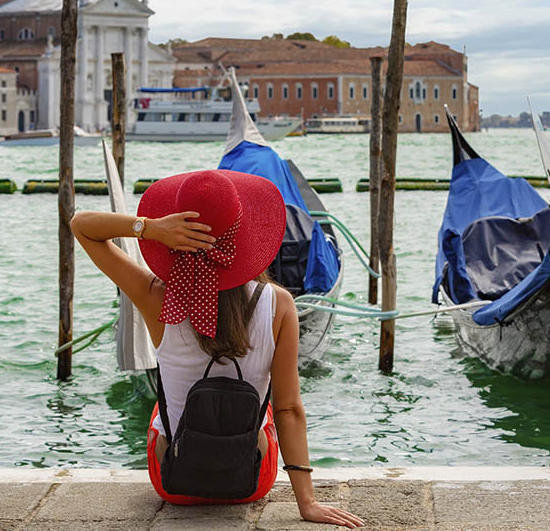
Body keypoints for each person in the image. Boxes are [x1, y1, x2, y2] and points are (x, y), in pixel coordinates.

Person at [71, 168, 364, 528]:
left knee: (161, 409)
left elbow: (81, 225)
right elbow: (290, 410)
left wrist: (149, 227)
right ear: (244, 236)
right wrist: (308, 503)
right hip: (249, 483)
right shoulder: (280, 304)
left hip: (173, 481)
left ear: (175, 232)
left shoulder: (156, 297)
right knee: (269, 405)